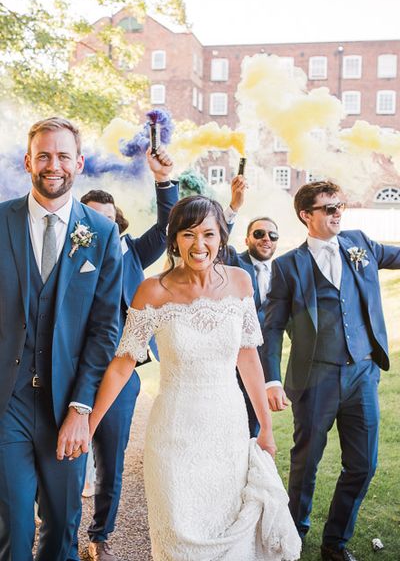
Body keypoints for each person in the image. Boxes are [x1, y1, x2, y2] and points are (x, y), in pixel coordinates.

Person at [87, 195, 302, 561]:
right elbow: (124, 362)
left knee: (228, 531)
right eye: (188, 235)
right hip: (174, 434)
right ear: (174, 240)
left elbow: (248, 356)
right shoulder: (152, 291)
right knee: (177, 535)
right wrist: (89, 425)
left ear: (222, 238)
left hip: (227, 431)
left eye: (208, 234)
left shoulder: (240, 282)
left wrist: (264, 428)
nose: (199, 245)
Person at [0, 117, 123, 561]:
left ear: (79, 162)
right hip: (6, 404)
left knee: (62, 532)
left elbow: (104, 329)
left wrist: (81, 409)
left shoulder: (103, 233)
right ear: (28, 160)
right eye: (44, 155)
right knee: (12, 530)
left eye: (63, 156)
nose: (54, 165)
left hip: (66, 405)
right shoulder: (0, 221)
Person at [260, 180, 400, 561]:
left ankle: (335, 543)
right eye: (328, 208)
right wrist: (271, 379)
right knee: (306, 463)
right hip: (314, 378)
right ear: (306, 215)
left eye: (340, 205)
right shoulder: (288, 266)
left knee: (363, 464)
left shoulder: (361, 244)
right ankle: (294, 536)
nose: (338, 212)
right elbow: (271, 327)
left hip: (363, 374)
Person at [78, 148, 178, 561]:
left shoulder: (134, 252)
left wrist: (163, 181)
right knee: (63, 458)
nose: (99, 222)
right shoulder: (69, 256)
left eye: (106, 215)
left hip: (123, 374)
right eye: (91, 217)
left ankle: (100, 536)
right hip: (72, 370)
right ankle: (60, 530)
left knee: (111, 462)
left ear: (116, 219)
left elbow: (168, 222)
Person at [226, 209, 279, 436]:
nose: (266, 239)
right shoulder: (233, 261)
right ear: (247, 239)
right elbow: (217, 243)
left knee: (253, 423)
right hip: (231, 357)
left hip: (264, 358)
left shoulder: (282, 272)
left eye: (273, 236)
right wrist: (234, 209)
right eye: (259, 233)